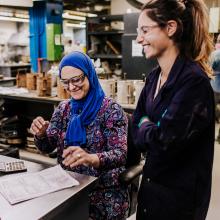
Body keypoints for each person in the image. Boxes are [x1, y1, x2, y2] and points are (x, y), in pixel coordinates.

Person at [133, 0, 215, 220]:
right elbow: (137, 126)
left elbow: (164, 143)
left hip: (178, 204)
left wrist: (145, 124)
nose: (139, 38)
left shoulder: (193, 83)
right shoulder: (153, 78)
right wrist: (146, 124)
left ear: (170, 28)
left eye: (145, 30)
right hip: (150, 194)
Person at [30, 51, 129, 219]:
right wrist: (40, 135)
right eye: (65, 82)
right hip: (68, 188)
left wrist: (91, 158)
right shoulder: (63, 109)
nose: (71, 87)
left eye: (76, 79)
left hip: (102, 192)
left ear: (89, 74)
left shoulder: (111, 110)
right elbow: (47, 147)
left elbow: (120, 155)